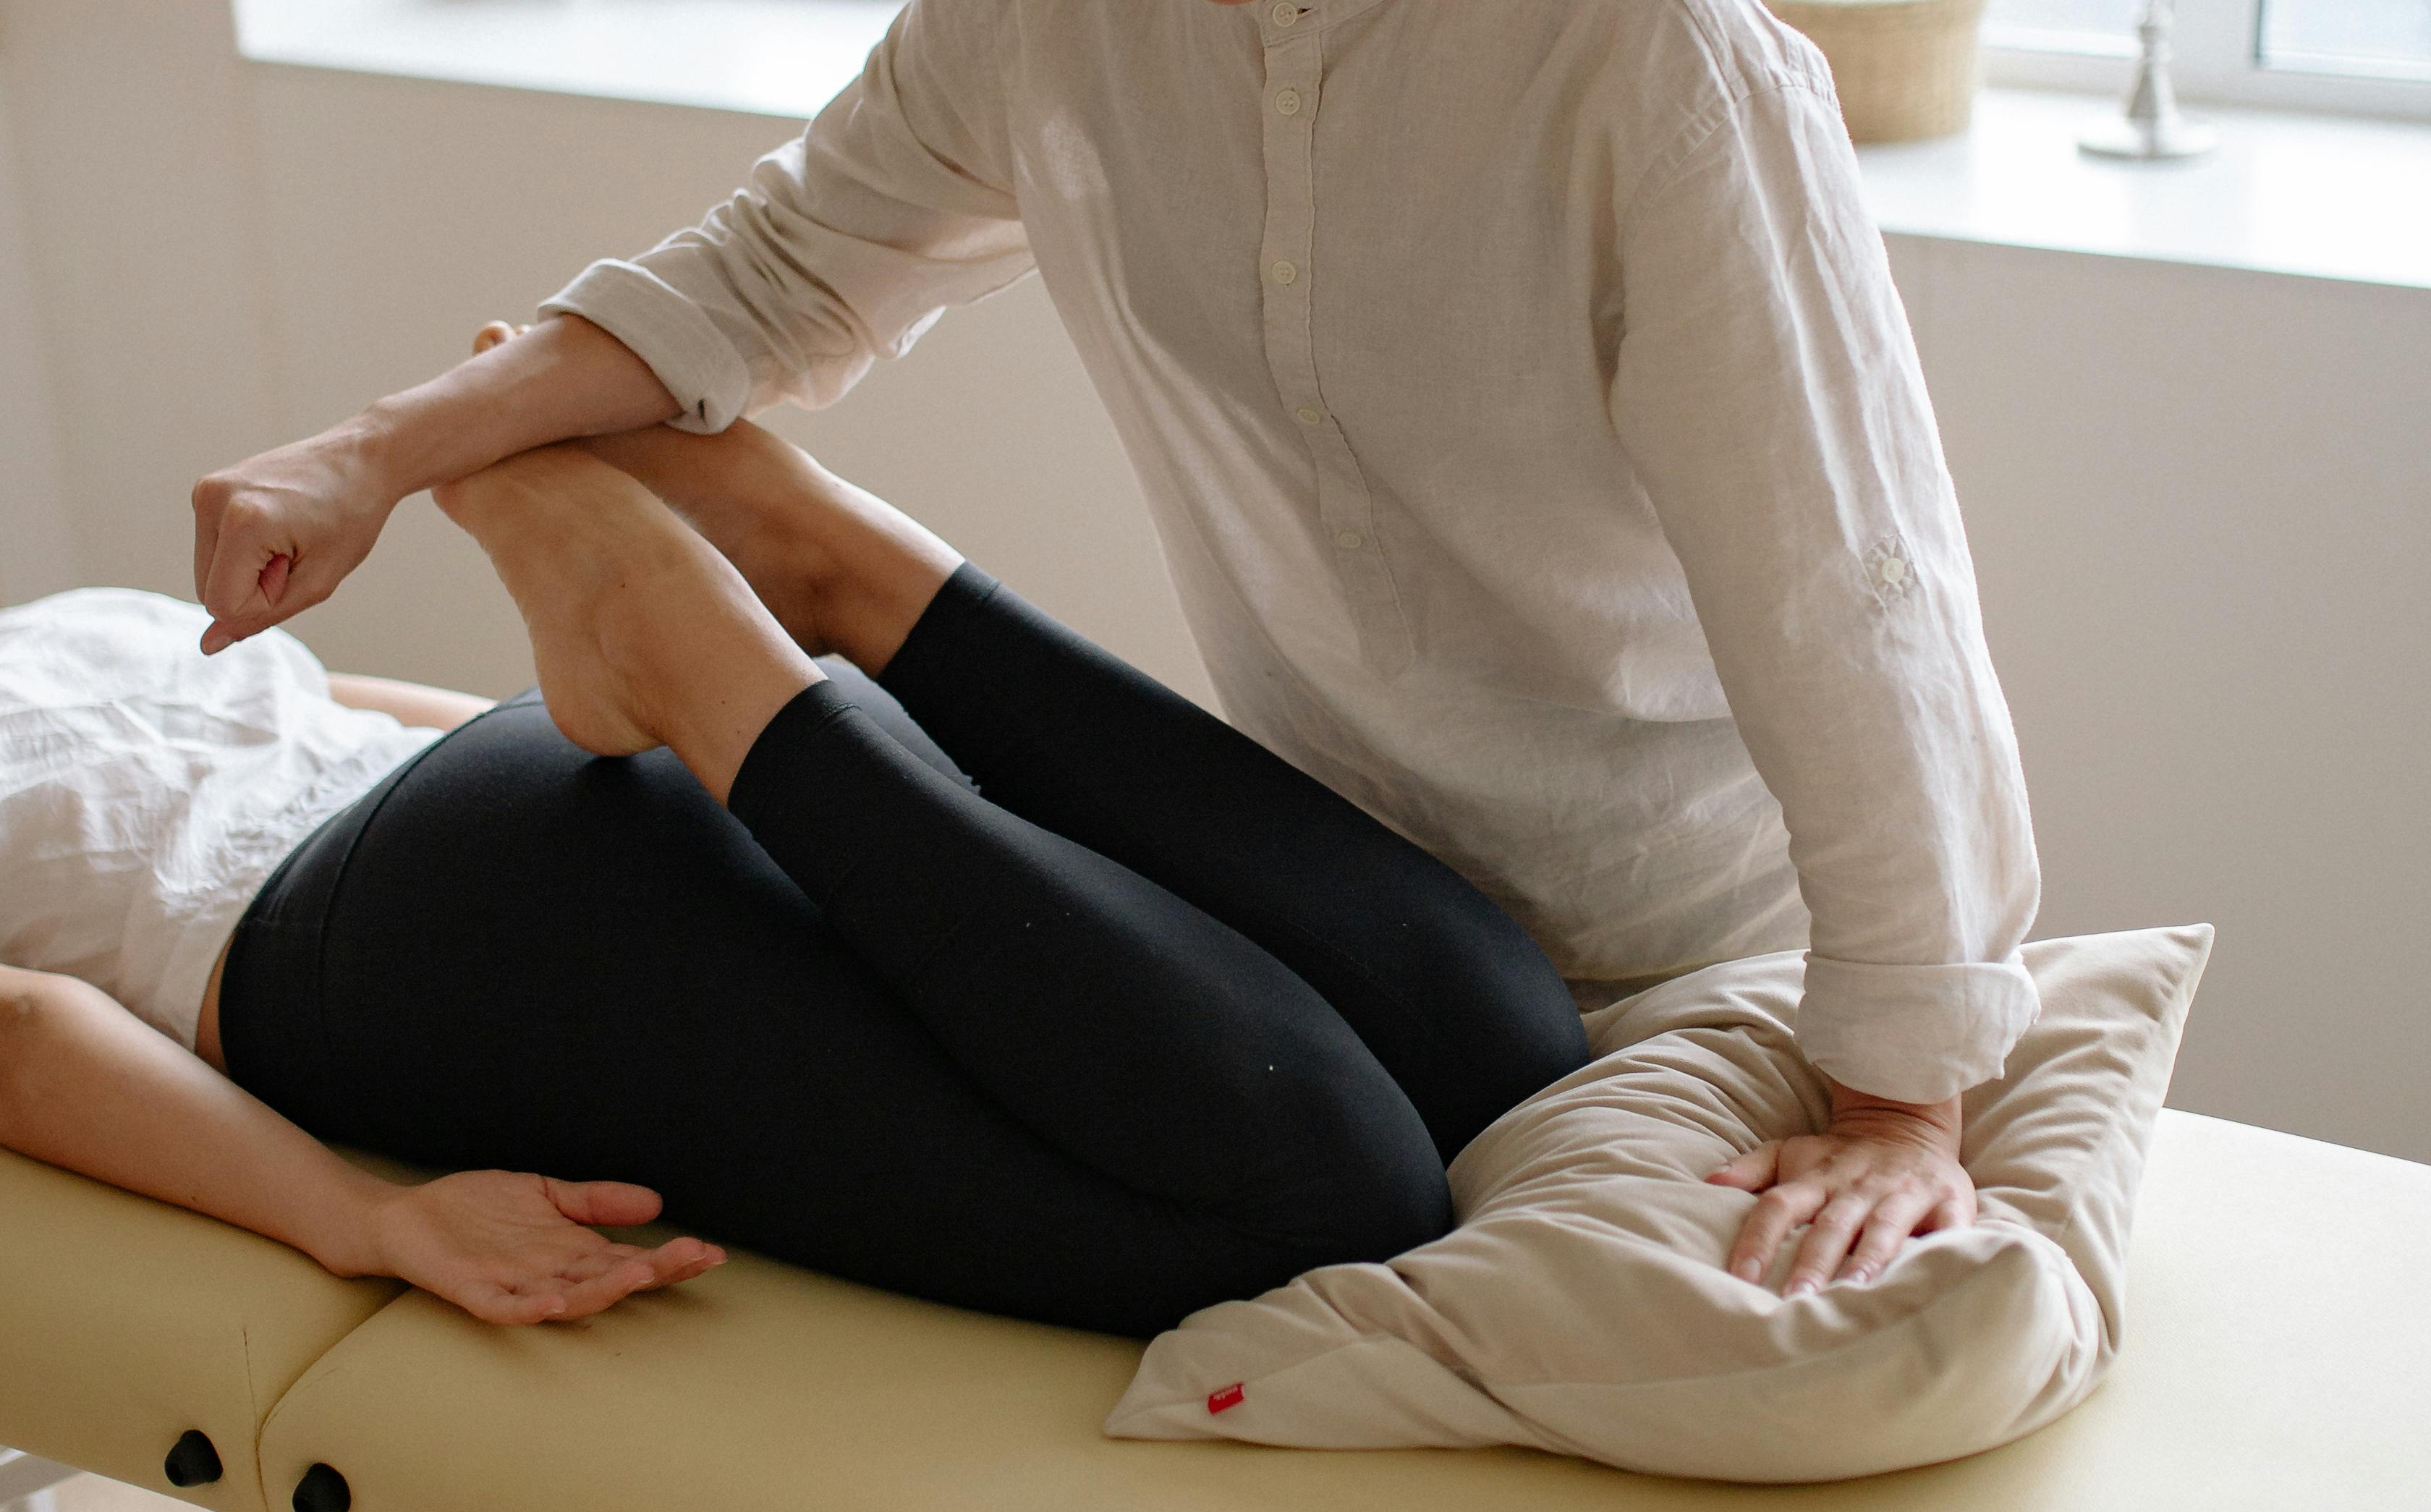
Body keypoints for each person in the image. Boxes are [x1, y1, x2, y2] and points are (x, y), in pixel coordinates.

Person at [189, 0, 2040, 1304]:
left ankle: (784, 569)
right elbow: (770, 277)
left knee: (1327, 1154)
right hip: (1296, 853)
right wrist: (368, 455)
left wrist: (1898, 1094)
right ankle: (739, 571)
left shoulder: (1641, 60)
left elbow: (1851, 591)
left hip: (1666, 934)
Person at [1, 402, 1592, 1333]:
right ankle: (838, 570)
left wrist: (359, 1217)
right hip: (528, 779)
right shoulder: (58, 620)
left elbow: (22, 1038)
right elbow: (349, 704)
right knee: (1497, 1050)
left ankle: (719, 659)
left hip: (403, 941)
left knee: (1323, 1200)